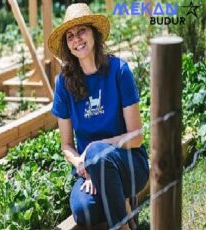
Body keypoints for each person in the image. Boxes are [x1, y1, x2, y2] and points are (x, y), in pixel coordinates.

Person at [48, 3, 149, 230]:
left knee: (96, 152)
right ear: (67, 44)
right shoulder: (63, 84)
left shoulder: (119, 71)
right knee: (84, 210)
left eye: (82, 30)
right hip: (90, 169)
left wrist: (97, 151)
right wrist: (83, 164)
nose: (77, 39)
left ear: (94, 33)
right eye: (70, 36)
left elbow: (136, 137)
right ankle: (123, 205)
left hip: (130, 164)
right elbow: (66, 145)